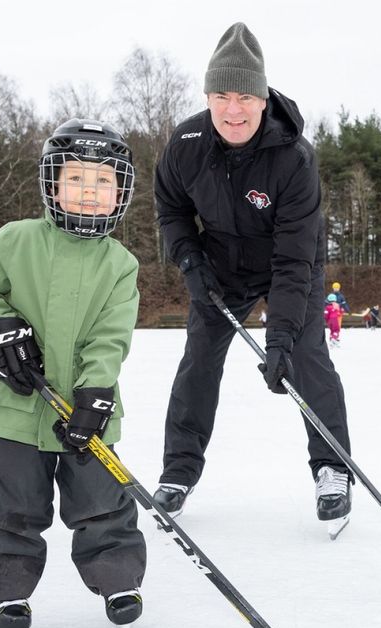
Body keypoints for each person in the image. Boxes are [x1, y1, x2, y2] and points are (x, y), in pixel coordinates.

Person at [152, 22, 354, 534]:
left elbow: (293, 258)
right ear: (207, 96)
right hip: (219, 267)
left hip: (290, 265)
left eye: (244, 95)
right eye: (221, 94)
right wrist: (190, 261)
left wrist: (281, 334)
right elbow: (171, 208)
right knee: (198, 360)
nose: (233, 109)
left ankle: (331, 467)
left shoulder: (294, 158)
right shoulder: (187, 144)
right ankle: (178, 472)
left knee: (307, 356)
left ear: (263, 99)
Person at [0, 119, 147, 628]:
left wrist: (97, 390)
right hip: (18, 408)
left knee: (103, 503)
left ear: (120, 191)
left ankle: (118, 579)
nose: (89, 191)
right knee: (11, 506)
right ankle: (8, 590)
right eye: (77, 179)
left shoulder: (121, 264)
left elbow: (111, 334)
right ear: (53, 185)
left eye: (103, 181)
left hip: (88, 409)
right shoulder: (14, 240)